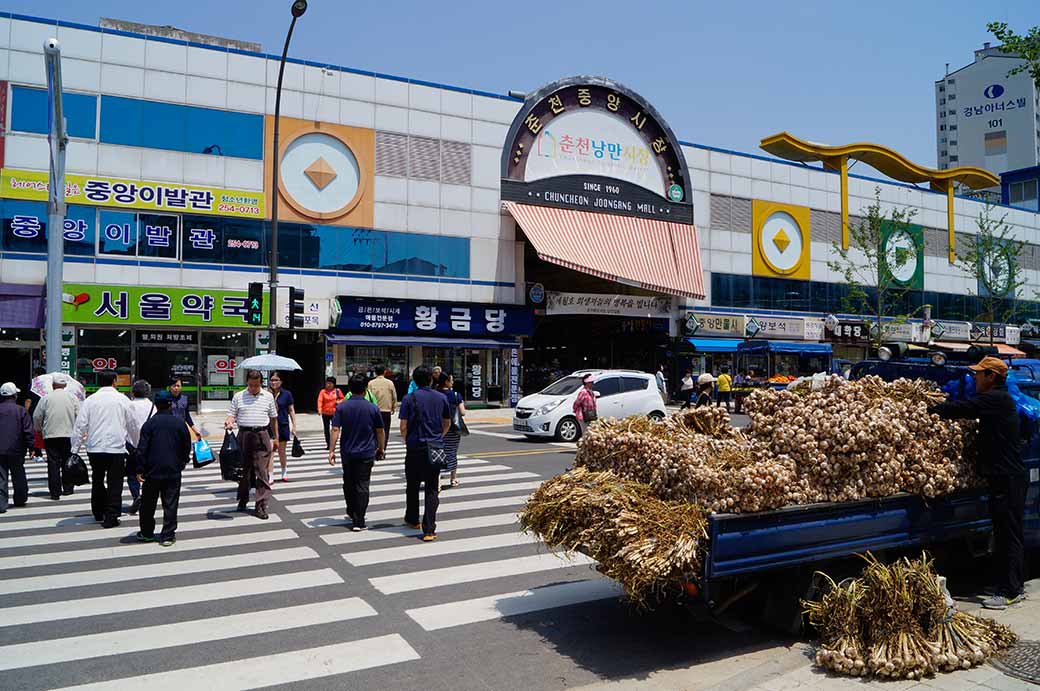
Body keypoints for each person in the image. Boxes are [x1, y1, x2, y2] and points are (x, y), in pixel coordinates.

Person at [927, 356, 1027, 610]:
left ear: (991, 377)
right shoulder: (999, 400)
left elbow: (964, 408)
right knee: (1008, 533)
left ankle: (1009, 591)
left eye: (979, 374)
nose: (974, 378)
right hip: (1007, 477)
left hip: (1007, 479)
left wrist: (932, 409)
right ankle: (1014, 586)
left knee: (1007, 535)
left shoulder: (996, 399)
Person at [71, 370, 139, 528]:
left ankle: (98, 512)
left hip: (95, 447)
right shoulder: (123, 400)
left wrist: (74, 449)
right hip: (116, 448)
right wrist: (135, 445)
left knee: (97, 479)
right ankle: (112, 516)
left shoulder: (90, 400)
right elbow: (133, 426)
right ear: (115, 381)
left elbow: (80, 425)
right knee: (115, 483)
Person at [328, 374, 385, 531]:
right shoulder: (372, 408)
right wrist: (381, 448)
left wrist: (331, 450)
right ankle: (359, 519)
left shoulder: (342, 407)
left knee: (348, 482)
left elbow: (335, 429)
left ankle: (351, 510)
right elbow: (380, 431)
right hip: (366, 452)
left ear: (349, 388)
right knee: (362, 485)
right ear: (365, 389)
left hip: (347, 451)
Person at [399, 366, 450, 541]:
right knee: (431, 487)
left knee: (412, 485)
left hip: (414, 446)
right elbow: (447, 423)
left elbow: (403, 426)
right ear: (431, 379)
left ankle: (413, 519)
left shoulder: (408, 398)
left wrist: (407, 440)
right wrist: (438, 437)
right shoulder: (441, 398)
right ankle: (429, 529)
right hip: (435, 447)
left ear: (414, 380)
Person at [135, 389, 191, 547]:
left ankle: (146, 533)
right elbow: (186, 445)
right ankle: (167, 535)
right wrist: (183, 462)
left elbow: (142, 449)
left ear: (155, 405)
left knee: (148, 504)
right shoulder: (179, 423)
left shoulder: (149, 424)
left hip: (152, 471)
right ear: (170, 404)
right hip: (173, 470)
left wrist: (139, 469)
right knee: (171, 503)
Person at [225, 370, 278, 520]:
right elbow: (232, 414)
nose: (253, 388)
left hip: (262, 435)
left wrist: (275, 438)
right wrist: (229, 421)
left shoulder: (268, 397)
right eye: (250, 385)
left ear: (261, 383)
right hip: (244, 435)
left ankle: (260, 505)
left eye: (256, 385)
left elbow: (273, 419)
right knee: (244, 471)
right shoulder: (238, 396)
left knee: (262, 472)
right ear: (246, 382)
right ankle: (243, 498)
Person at [32, 373, 80, 500]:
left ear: (53, 385)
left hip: (50, 435)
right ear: (65, 385)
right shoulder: (72, 397)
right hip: (68, 434)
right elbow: (79, 415)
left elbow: (37, 416)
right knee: (67, 461)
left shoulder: (46, 398)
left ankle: (55, 491)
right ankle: (68, 488)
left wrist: (38, 428)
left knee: (53, 463)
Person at [0, 382, 33, 512]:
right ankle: (20, 498)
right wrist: (31, 447)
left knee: (1, 476)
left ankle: (1, 504)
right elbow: (27, 431)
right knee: (18, 474)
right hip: (17, 448)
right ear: (14, 395)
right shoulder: (21, 411)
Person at [125, 380, 155, 515]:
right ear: (148, 392)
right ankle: (147, 498)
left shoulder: (128, 406)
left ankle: (136, 494)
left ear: (133, 392)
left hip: (132, 446)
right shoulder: (153, 407)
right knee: (149, 474)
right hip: (149, 447)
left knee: (132, 473)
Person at [438, 372, 466, 488]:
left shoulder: (435, 394)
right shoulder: (455, 395)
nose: (453, 382)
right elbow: (463, 412)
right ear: (446, 382)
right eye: (451, 380)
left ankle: (437, 479)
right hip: (453, 428)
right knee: (452, 452)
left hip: (438, 427)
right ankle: (453, 478)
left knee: (438, 452)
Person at [269, 372, 296, 483]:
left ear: (281, 381)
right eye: (272, 380)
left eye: (276, 380)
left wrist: (294, 425)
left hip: (282, 424)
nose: (274, 382)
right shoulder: (266, 394)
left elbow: (291, 410)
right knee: (271, 451)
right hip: (269, 426)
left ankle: (284, 471)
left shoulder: (287, 394)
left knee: (281, 451)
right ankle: (270, 474)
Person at [368, 366, 398, 451]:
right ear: (384, 372)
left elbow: (368, 396)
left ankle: (375, 447)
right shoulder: (390, 383)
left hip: (374, 410)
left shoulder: (371, 383)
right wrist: (393, 407)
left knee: (374, 430)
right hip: (386, 410)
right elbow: (394, 396)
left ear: (375, 372)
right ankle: (383, 449)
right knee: (385, 430)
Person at [24, 367, 46, 460]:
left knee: (34, 431)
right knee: (44, 431)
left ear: (36, 375)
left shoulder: (32, 386)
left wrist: (26, 412)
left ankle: (35, 452)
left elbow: (28, 400)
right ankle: (42, 451)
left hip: (34, 410)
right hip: (45, 410)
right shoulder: (48, 386)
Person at [317, 377, 344, 450]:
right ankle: (328, 444)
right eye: (327, 383)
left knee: (335, 429)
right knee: (326, 429)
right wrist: (319, 409)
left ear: (333, 384)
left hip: (335, 413)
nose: (328, 385)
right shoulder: (323, 392)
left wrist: (339, 402)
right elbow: (320, 400)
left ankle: (334, 443)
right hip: (325, 413)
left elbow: (342, 399)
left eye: (330, 383)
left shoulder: (337, 391)